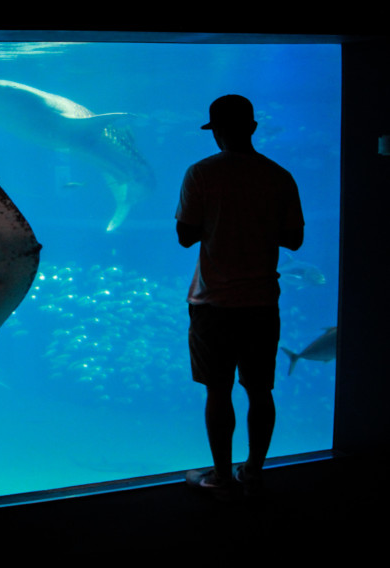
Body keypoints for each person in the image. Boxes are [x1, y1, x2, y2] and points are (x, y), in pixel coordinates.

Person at [176, 95, 304, 500]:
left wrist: (218, 222)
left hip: (212, 303)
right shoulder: (278, 176)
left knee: (218, 391)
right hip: (261, 302)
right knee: (260, 391)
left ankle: (219, 475)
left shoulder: (201, 173)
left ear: (215, 132)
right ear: (252, 127)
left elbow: (184, 236)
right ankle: (254, 472)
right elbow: (295, 239)